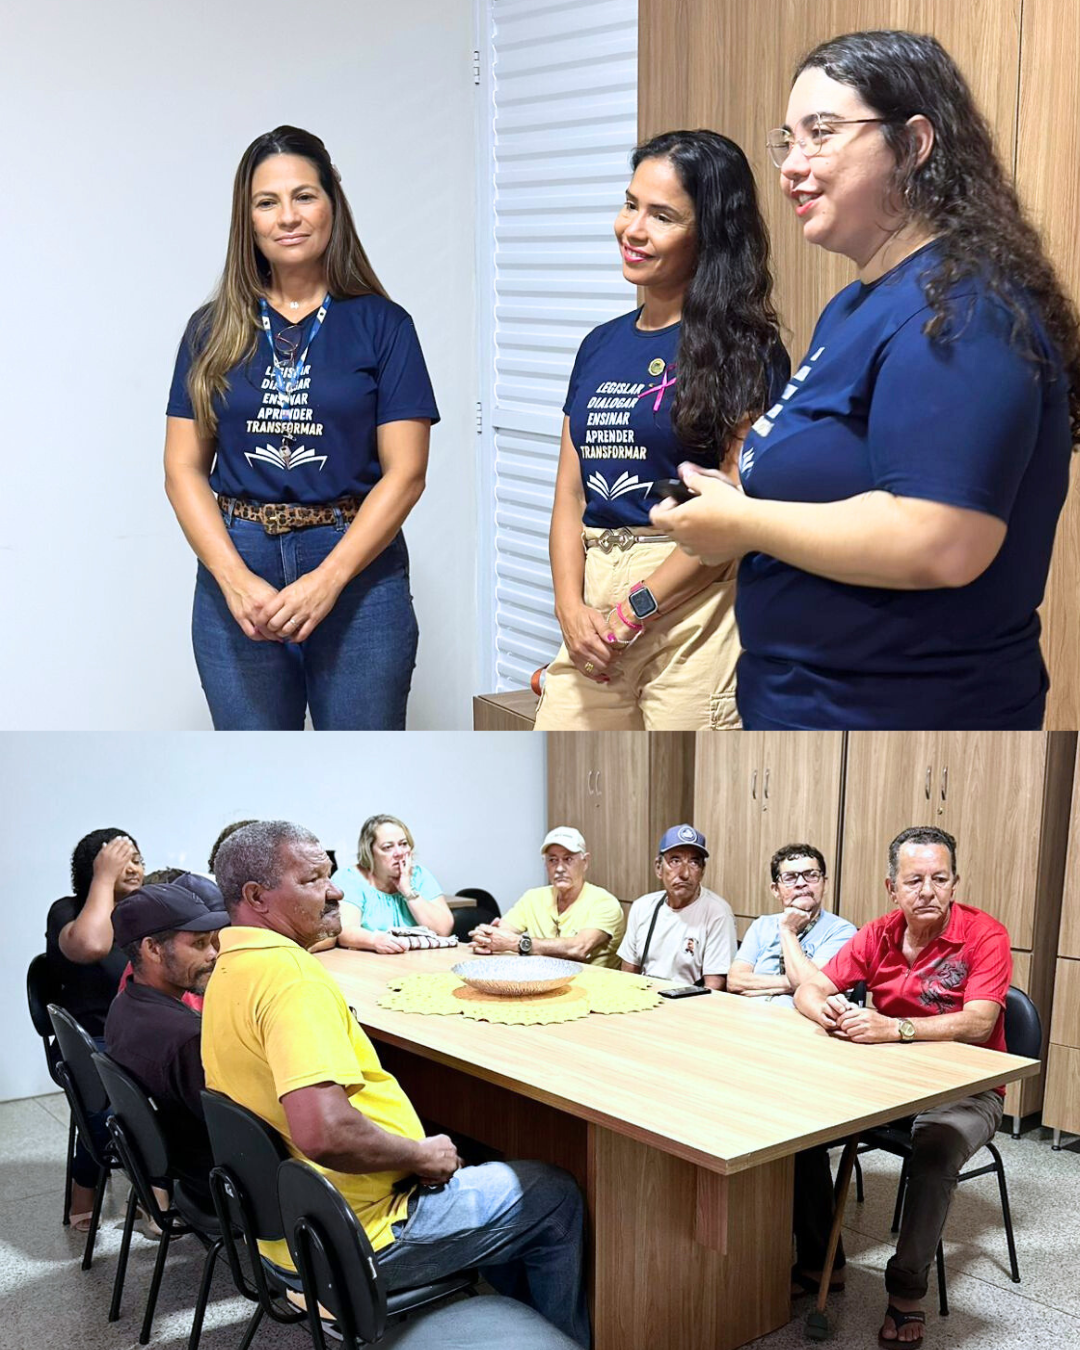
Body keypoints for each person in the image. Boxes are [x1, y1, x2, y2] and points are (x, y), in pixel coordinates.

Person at [653, 31, 1080, 731]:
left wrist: (744, 523)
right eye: (786, 141)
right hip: (803, 698)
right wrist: (733, 501)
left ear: (913, 145)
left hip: (900, 710)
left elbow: (940, 539)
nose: (793, 167)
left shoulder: (961, 309)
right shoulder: (855, 305)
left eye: (821, 135)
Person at [203, 822, 589, 1347]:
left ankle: (509, 1319)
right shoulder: (290, 978)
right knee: (554, 1194)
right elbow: (322, 1132)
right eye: (315, 879)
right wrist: (418, 1155)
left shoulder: (230, 967)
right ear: (257, 897)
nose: (335, 890)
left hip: (286, 1232)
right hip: (359, 1237)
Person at [165, 126, 439, 730]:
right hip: (238, 564)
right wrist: (234, 580)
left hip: (356, 569)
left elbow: (408, 472)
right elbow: (183, 467)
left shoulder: (384, 325)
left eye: (304, 196)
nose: (288, 217)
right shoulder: (210, 328)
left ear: (332, 204)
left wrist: (328, 579)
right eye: (268, 202)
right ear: (249, 218)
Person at [534, 129, 789, 730]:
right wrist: (570, 609)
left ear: (710, 235)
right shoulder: (598, 346)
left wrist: (635, 609)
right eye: (630, 205)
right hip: (595, 603)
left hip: (692, 607)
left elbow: (734, 504)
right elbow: (570, 496)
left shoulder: (748, 350)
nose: (634, 229)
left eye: (663, 216)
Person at [792, 827, 1011, 1347]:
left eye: (939, 878)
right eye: (914, 880)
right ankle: (825, 1259)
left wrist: (895, 1028)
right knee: (795, 1130)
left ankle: (905, 1291)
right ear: (893, 888)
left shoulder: (985, 935)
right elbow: (812, 986)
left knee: (935, 1147)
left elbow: (980, 1022)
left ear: (955, 883)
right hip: (887, 1082)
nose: (927, 891)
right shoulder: (879, 932)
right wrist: (828, 1012)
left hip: (969, 1090)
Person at [106, 882, 228, 1206]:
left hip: (182, 1168)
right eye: (200, 943)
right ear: (153, 949)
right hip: (217, 1184)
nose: (214, 953)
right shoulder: (187, 1038)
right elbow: (243, 1128)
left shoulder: (124, 1003)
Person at [45, 828, 144, 1228]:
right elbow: (90, 946)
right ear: (95, 867)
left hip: (140, 1035)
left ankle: (158, 1193)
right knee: (105, 1107)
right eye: (123, 861)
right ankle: (83, 1196)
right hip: (90, 1043)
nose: (134, 867)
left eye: (137, 858)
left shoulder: (143, 909)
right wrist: (104, 880)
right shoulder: (66, 911)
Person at [470, 828, 624, 967]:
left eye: (568, 859)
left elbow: (578, 948)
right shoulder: (533, 897)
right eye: (552, 860)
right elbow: (501, 934)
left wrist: (517, 943)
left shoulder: (605, 902)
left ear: (585, 862)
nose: (559, 869)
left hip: (593, 989)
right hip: (542, 984)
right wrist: (485, 939)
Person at [727, 843, 856, 1007]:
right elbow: (735, 981)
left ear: (825, 884)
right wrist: (792, 983)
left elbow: (813, 987)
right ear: (775, 890)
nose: (801, 883)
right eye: (790, 877)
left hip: (802, 1022)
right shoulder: (761, 925)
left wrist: (788, 931)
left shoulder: (842, 931)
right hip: (750, 1017)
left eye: (811, 875)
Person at [618, 826, 736, 988]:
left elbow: (714, 987)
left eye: (694, 862)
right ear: (659, 868)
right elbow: (628, 972)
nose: (684, 873)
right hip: (645, 997)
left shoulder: (717, 912)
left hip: (690, 1003)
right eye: (675, 861)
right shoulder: (643, 907)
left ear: (702, 872)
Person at [332, 815, 453, 953]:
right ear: (370, 852)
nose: (399, 853)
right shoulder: (349, 878)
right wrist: (374, 940)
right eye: (388, 847)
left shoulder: (420, 875)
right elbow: (344, 931)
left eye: (403, 844)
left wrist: (407, 890)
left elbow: (443, 930)